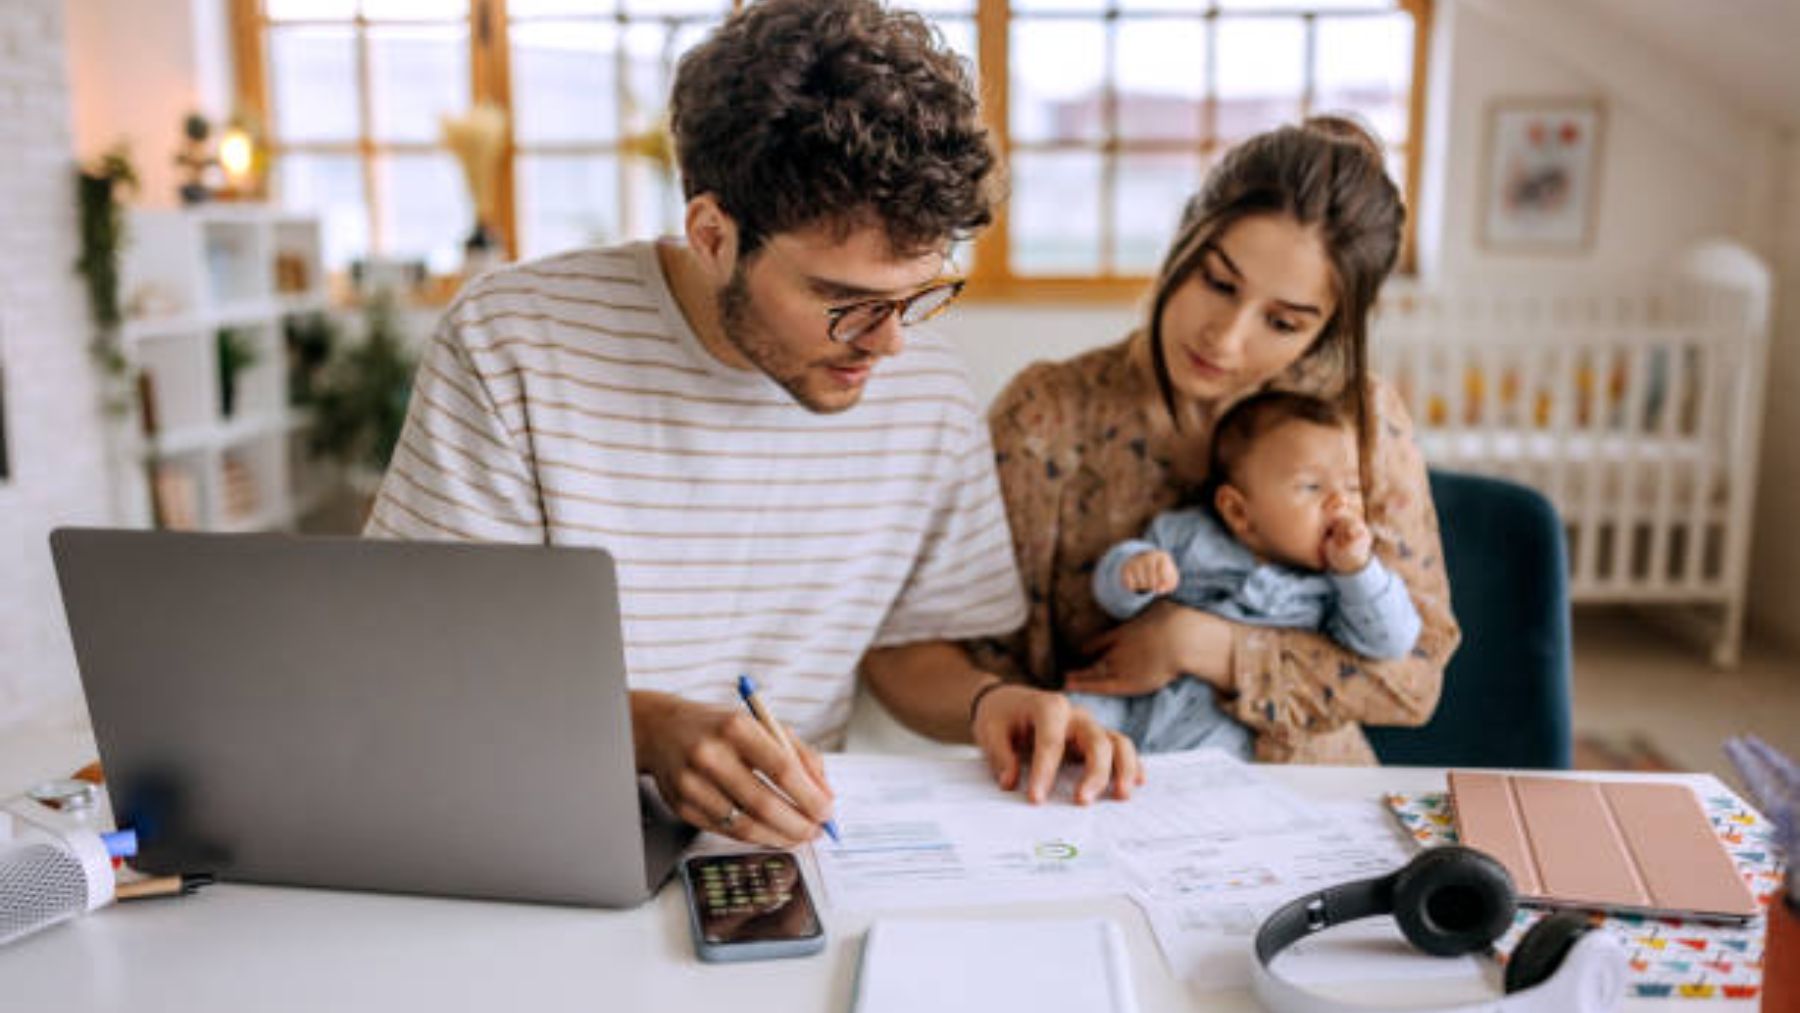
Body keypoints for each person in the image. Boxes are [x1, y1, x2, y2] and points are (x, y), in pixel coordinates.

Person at [365, 0, 1141, 850]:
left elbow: (905, 649)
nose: (888, 343)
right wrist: (648, 731)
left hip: (786, 848)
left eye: (917, 295)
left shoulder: (928, 389)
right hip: (538, 822)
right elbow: (426, 663)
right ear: (712, 234)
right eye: (843, 302)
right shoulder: (517, 340)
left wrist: (992, 703)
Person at [972, 115, 1461, 765]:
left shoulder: (1362, 422)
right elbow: (973, 660)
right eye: (1218, 283)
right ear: (1183, 237)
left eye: (1283, 321)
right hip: (1094, 789)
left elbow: (1413, 678)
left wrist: (1199, 643)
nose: (1225, 338)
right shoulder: (1046, 416)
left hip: (1308, 805)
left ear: (1327, 329)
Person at [1073, 390, 1424, 755]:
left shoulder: (1336, 587)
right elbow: (1114, 602)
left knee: (1215, 764)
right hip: (1136, 699)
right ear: (1239, 512)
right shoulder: (1187, 536)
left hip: (1223, 721)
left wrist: (1357, 571)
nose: (1341, 503)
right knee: (1075, 714)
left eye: (1353, 488)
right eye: (1311, 487)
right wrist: (1133, 572)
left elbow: (1391, 641)